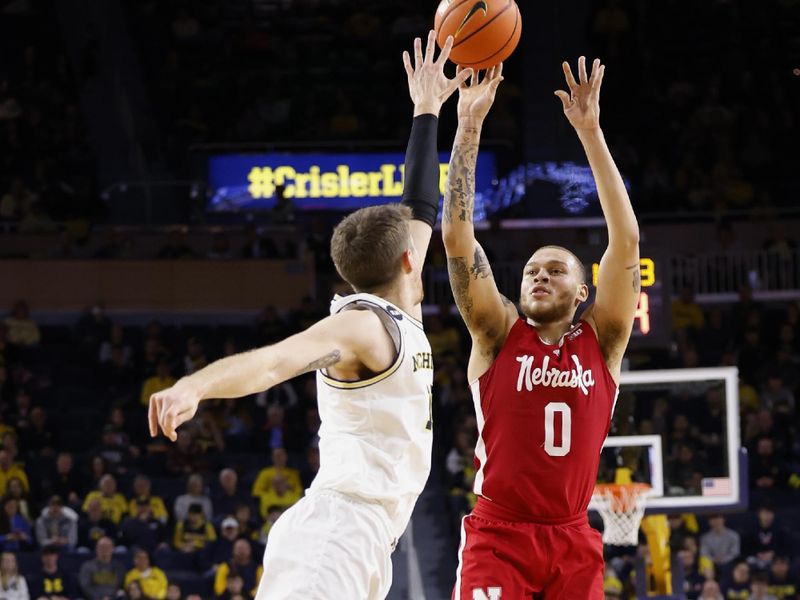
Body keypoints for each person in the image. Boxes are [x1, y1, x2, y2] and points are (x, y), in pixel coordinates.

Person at [149, 31, 472, 600]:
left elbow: (421, 203)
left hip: (369, 538)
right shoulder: (360, 326)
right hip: (335, 535)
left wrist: (429, 110)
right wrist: (193, 387)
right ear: (406, 259)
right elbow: (276, 361)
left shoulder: (402, 298)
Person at [442, 57, 641, 598]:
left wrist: (591, 133)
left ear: (584, 292)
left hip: (573, 538)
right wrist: (469, 125)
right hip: (498, 534)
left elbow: (625, 241)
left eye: (556, 270)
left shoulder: (602, 340)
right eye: (531, 270)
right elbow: (458, 241)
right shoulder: (498, 332)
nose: (539, 276)